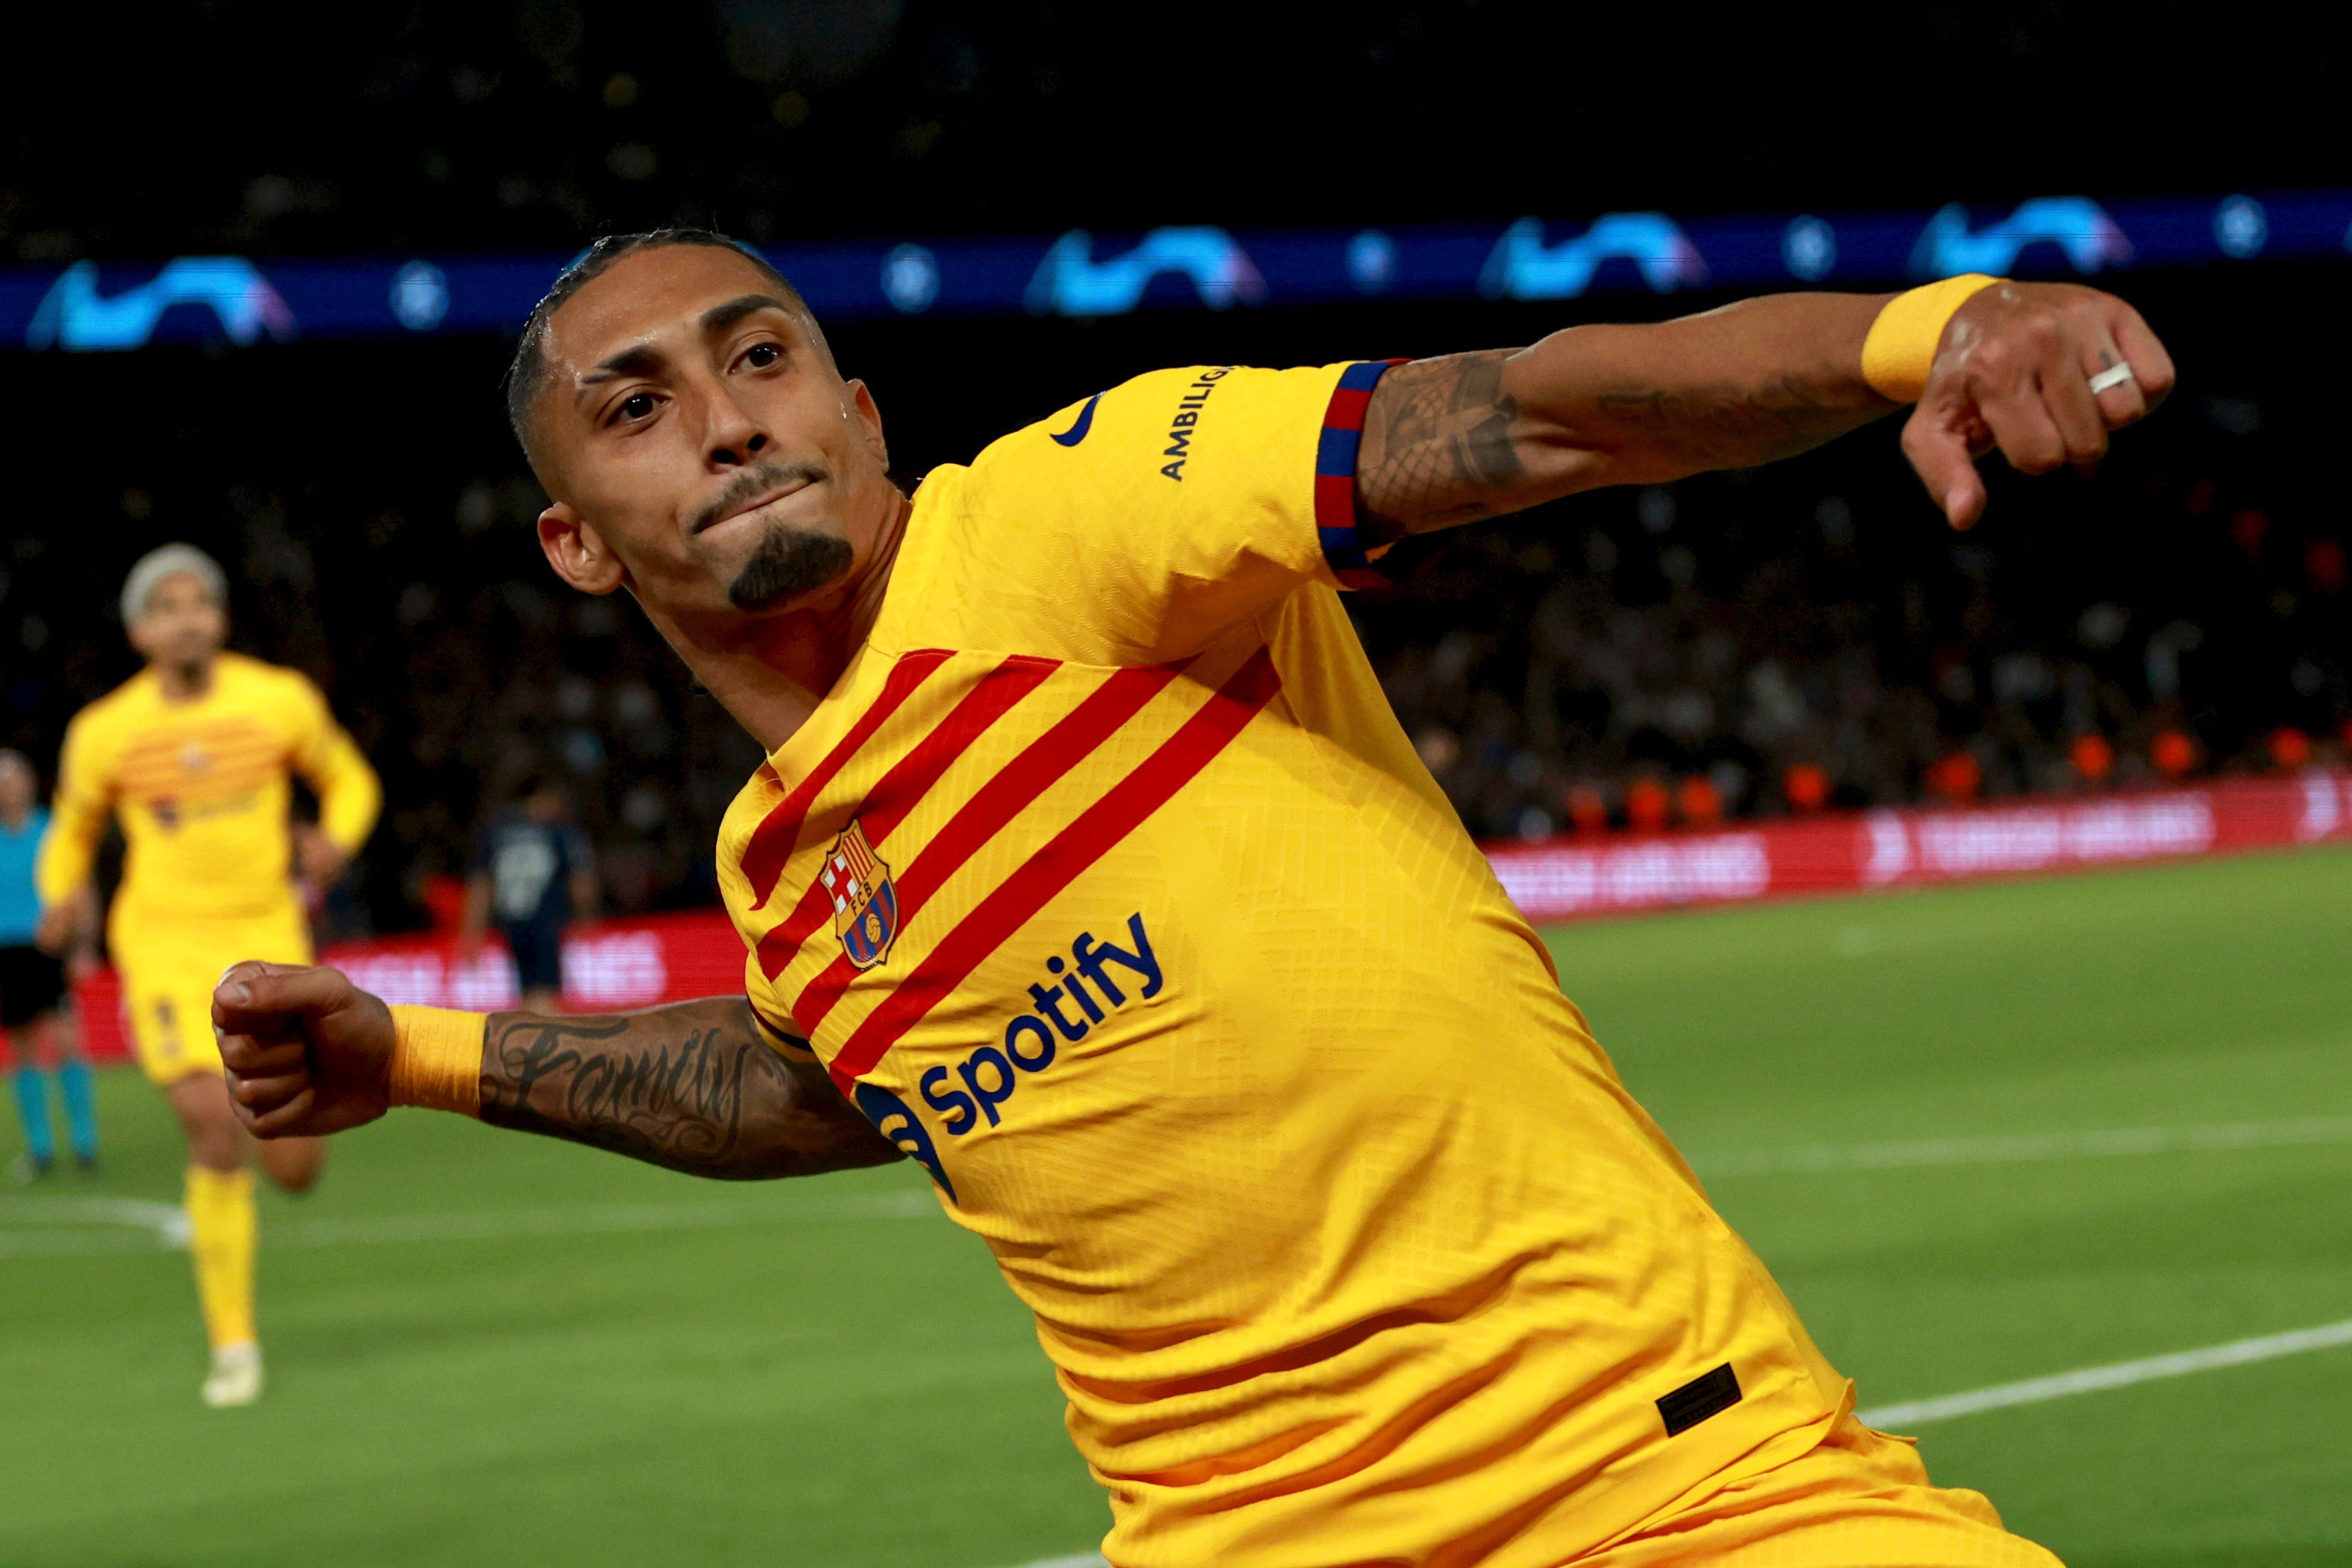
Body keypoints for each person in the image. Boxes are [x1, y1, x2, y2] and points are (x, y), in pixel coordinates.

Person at [216, 233, 2170, 1564]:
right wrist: (420, 1057)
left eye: (759, 360)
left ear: (862, 415)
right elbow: (822, 1078)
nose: (728, 419)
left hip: (1667, 1492)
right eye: (635, 406)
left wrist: (1931, 327)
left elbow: (1539, 405)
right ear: (571, 541)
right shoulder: (783, 873)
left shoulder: (1074, 525)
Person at [37, 545, 381, 1407]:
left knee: (292, 1160)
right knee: (207, 1120)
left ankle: (294, 1149)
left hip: (267, 935)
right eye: (168, 605)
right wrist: (58, 896)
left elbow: (348, 778)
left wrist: (335, 836)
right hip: (161, 944)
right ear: (139, 629)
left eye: (200, 602)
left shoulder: (277, 700)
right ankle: (234, 1343)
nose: (186, 617)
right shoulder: (105, 730)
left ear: (220, 620)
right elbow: (72, 832)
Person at [0, 749, 99, 1178]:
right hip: (7, 951)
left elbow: (79, 889)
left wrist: (82, 945)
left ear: (28, 782)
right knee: (21, 1048)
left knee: (67, 1040)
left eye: (13, 779)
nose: (8, 788)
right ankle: (40, 1147)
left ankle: (84, 1142)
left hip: (47, 947)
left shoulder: (53, 830)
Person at [459, 773, 598, 1012]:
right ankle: (544, 1046)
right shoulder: (558, 832)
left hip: (511, 927)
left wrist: (473, 932)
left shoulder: (498, 833)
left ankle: (526, 1041)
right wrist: (587, 919)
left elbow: (482, 886)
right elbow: (581, 880)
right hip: (546, 924)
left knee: (524, 995)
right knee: (545, 996)